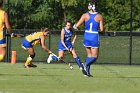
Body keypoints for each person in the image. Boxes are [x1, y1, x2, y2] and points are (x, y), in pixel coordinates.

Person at [73, 2, 104, 77]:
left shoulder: (84, 15)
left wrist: (74, 26)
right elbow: (102, 29)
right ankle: (85, 64)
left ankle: (87, 73)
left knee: (89, 55)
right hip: (94, 36)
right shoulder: (99, 16)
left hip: (86, 35)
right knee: (95, 57)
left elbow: (76, 26)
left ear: (91, 7)